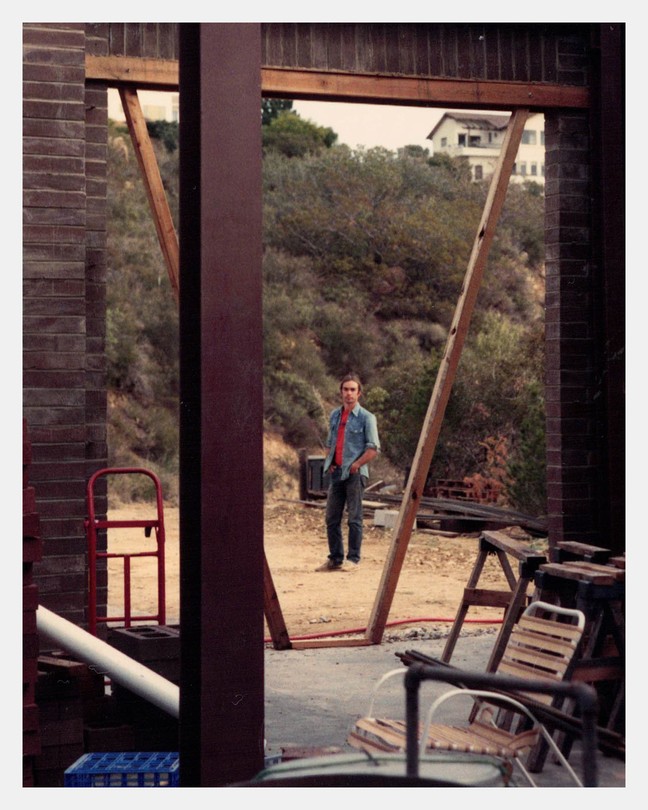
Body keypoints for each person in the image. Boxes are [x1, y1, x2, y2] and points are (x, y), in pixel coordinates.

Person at [316, 373, 380, 571]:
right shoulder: (335, 415)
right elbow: (329, 443)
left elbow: (373, 448)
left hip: (355, 474)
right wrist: (331, 461)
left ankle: (353, 560)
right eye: (346, 389)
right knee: (332, 518)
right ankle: (335, 559)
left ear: (359, 393)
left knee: (354, 517)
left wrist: (357, 464)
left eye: (353, 390)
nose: (349, 394)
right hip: (337, 474)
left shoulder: (367, 418)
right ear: (341, 392)